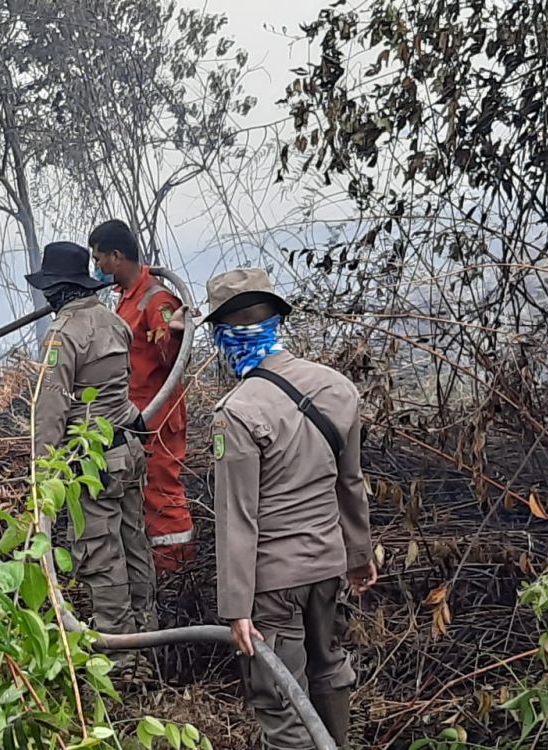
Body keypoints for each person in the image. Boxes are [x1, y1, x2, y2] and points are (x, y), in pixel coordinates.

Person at [199, 268, 377, 749]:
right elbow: (351, 482)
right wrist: (359, 556)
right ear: (276, 322)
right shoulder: (336, 388)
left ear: (224, 337)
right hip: (327, 566)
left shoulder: (236, 412)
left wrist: (235, 609)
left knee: (281, 698)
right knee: (330, 673)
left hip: (274, 585)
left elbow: (238, 518)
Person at [27, 241, 158, 638]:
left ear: (60, 289)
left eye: (48, 288)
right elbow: (118, 387)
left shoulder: (63, 334)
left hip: (93, 462)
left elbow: (49, 413)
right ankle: (148, 634)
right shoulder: (113, 320)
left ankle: (121, 651)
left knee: (101, 555)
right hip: (126, 450)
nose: (46, 296)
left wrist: (41, 481)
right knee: (134, 542)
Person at [89, 220, 194, 576]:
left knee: (163, 494)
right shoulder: (126, 299)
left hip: (158, 416)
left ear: (117, 256)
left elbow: (173, 356)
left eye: (99, 259)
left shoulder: (156, 298)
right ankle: (155, 569)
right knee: (143, 494)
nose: (98, 268)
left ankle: (177, 574)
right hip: (136, 416)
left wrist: (175, 335)